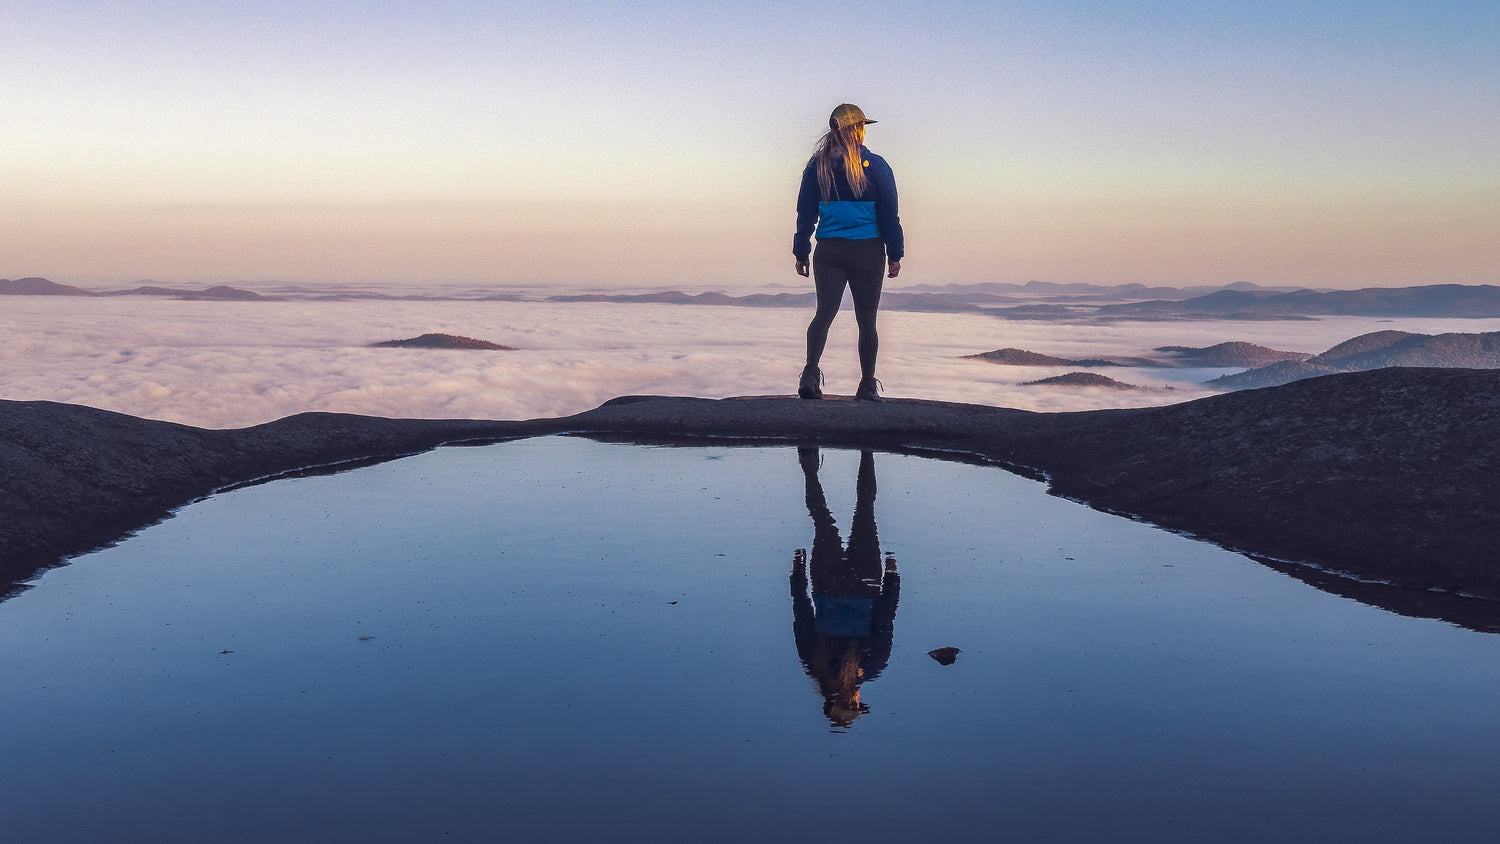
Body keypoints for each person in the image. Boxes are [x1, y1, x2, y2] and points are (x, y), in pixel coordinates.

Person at [793, 103, 905, 402]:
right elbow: (889, 216)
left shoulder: (817, 167)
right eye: (863, 125)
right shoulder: (877, 165)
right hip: (868, 252)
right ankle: (867, 385)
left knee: (823, 315)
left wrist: (801, 250)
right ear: (856, 128)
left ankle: (809, 374)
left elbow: (805, 214)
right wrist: (895, 253)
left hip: (829, 250)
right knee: (867, 321)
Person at [790, 447, 900, 728]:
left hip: (860, 583)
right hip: (833, 582)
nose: (857, 700)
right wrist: (797, 575)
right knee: (824, 516)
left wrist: (892, 579)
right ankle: (814, 462)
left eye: (853, 704)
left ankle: (866, 449)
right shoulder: (815, 664)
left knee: (864, 509)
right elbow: (801, 615)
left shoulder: (869, 667)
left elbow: (885, 620)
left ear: (844, 700)